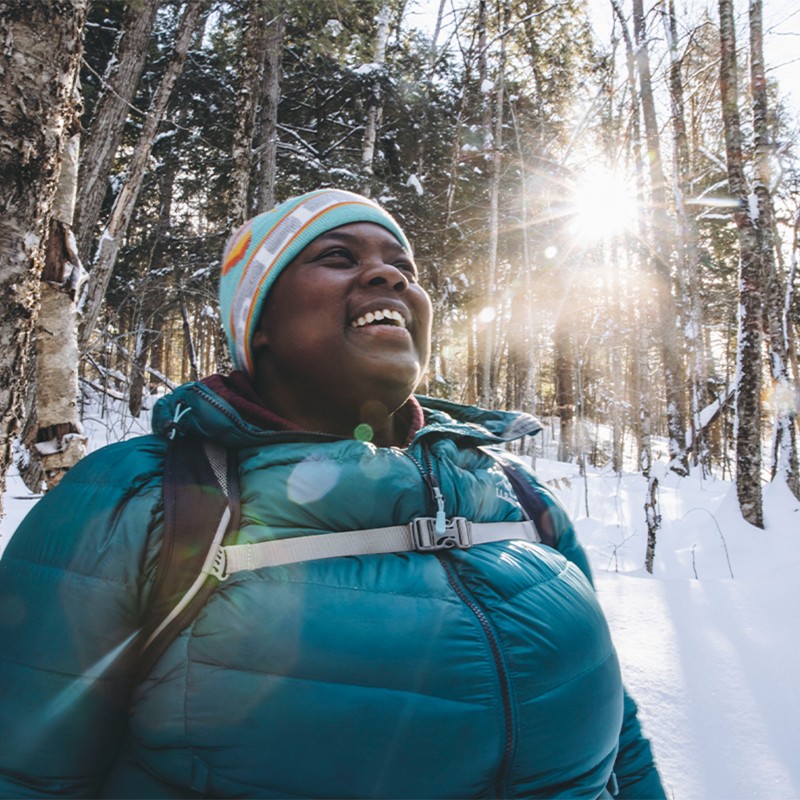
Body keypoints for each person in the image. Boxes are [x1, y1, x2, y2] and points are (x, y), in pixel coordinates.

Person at [0, 188, 665, 799]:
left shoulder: (514, 494)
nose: (389, 275)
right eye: (338, 257)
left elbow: (622, 748)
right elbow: (24, 772)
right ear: (257, 324)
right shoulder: (142, 496)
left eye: (402, 264)